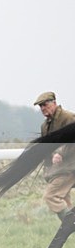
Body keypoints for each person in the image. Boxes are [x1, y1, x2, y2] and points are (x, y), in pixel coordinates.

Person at [35, 91, 75, 221]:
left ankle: (70, 225)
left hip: (70, 168)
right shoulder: (44, 126)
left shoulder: (68, 118)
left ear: (54, 103)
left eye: (45, 104)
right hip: (59, 169)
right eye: (40, 106)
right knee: (63, 199)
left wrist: (60, 153)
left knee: (51, 196)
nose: (42, 108)